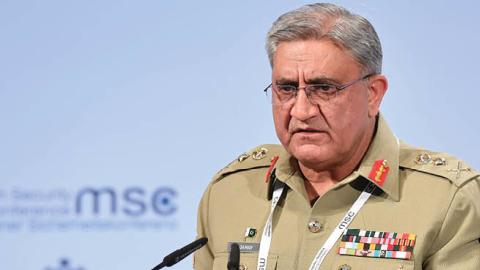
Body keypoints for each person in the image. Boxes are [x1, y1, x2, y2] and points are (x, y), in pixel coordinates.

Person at [194, 3, 480, 270]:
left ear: (373, 94)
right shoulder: (227, 193)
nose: (301, 111)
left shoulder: (448, 200)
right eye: (287, 88)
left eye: (324, 88)